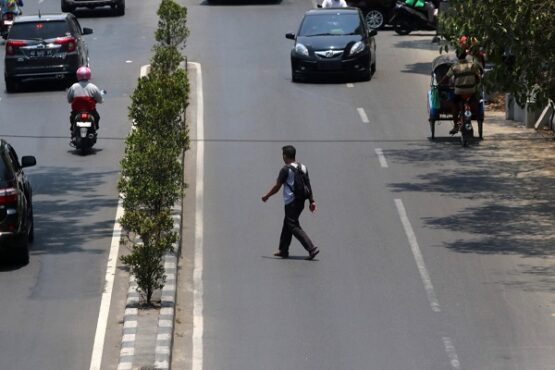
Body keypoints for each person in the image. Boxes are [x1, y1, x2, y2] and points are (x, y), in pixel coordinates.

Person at [261, 145, 320, 260]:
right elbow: (308, 185)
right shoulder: (303, 167)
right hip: (301, 201)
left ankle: (311, 248)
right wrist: (311, 201)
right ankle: (283, 250)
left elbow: (277, 186)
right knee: (287, 223)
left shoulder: (285, 169)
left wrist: (267, 196)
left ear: (285, 156)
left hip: (291, 202)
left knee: (293, 225)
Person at [441, 50, 482, 134]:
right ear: (466, 56)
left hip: (459, 92)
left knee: (454, 104)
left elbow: (446, 78)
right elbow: (478, 78)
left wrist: (439, 84)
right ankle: (475, 117)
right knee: (476, 99)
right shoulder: (472, 65)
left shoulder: (455, 66)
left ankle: (456, 126)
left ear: (457, 57)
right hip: (471, 91)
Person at [67, 66, 103, 133]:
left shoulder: (74, 87)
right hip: (90, 110)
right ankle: (95, 129)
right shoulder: (93, 87)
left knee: (72, 118)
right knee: (97, 117)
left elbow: (69, 99)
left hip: (76, 111)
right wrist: (100, 101)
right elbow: (100, 99)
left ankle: (73, 128)